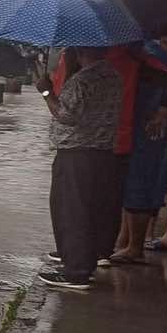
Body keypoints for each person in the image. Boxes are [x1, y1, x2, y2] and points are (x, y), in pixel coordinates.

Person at [38, 46, 123, 290]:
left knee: (72, 212)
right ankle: (85, 263)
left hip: (76, 154)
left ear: (78, 52)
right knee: (93, 211)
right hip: (104, 153)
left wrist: (45, 91)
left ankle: (76, 271)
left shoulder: (81, 81)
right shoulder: (113, 75)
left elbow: (66, 115)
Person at [110, 22, 167, 263]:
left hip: (146, 128)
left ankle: (133, 247)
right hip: (134, 126)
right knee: (133, 185)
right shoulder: (138, 49)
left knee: (141, 183)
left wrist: (163, 110)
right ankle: (125, 242)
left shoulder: (148, 53)